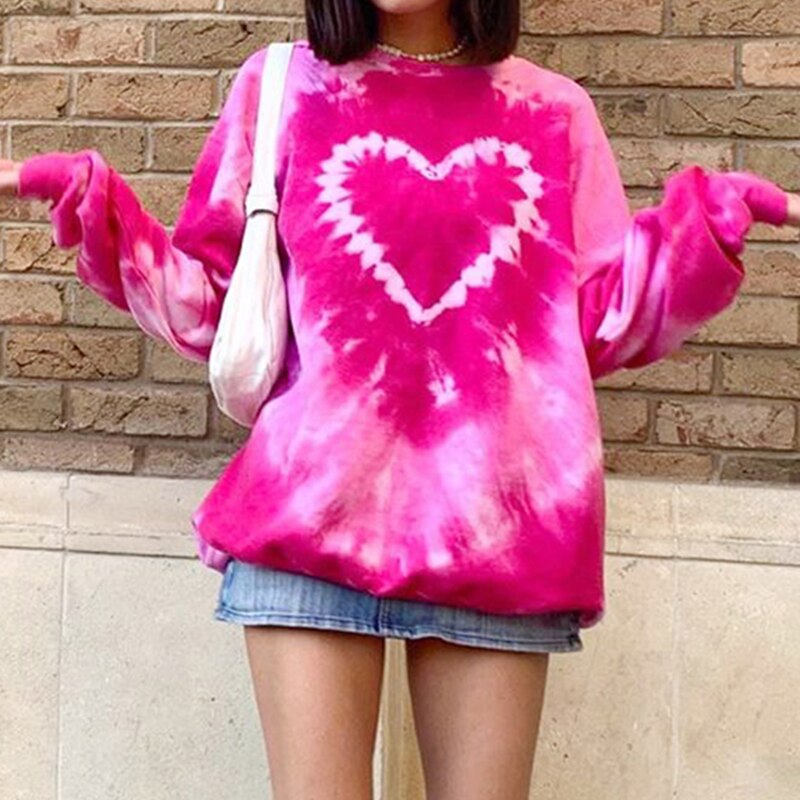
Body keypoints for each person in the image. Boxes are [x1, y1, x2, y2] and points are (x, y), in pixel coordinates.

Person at [3, 1, 800, 798]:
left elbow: (597, 323)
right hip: (304, 526)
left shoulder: (553, 111)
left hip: (496, 537)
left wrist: (708, 228)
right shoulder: (279, 87)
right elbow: (210, 309)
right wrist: (94, 206)